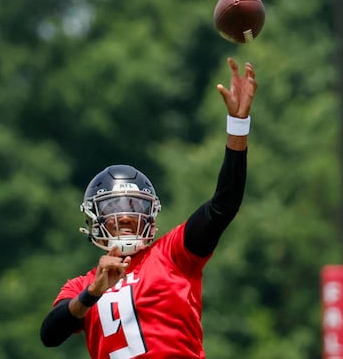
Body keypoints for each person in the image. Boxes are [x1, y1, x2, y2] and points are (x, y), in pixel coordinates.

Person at [40, 57, 257, 358]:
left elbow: (224, 205)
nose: (127, 215)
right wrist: (92, 294)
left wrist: (238, 126)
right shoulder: (84, 284)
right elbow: (50, 334)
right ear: (95, 218)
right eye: (115, 206)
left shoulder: (172, 254)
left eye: (134, 206)